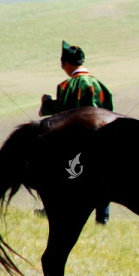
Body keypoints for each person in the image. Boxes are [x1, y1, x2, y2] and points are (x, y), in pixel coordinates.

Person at [39, 40, 113, 224]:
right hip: (101, 140)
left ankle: (52, 209)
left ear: (66, 63)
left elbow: (59, 111)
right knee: (102, 175)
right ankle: (102, 218)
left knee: (57, 172)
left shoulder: (67, 86)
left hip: (74, 140)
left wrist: (46, 102)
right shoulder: (100, 85)